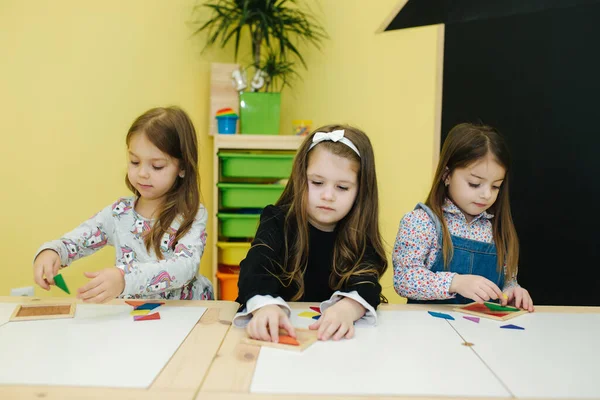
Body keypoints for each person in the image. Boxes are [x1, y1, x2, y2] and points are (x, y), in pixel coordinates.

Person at [32, 106, 213, 302]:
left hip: (187, 315)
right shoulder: (119, 213)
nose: (142, 173)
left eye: (157, 166)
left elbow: (184, 268)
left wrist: (124, 279)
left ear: (183, 167)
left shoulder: (191, 214)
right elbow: (76, 240)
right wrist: (52, 251)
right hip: (137, 316)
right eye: (135, 162)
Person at [234, 125, 388, 342]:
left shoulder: (359, 233)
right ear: (300, 178)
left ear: (361, 192)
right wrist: (265, 306)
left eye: (342, 187)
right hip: (279, 338)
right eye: (317, 183)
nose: (327, 196)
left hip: (333, 347)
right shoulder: (276, 220)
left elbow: (368, 284)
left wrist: (347, 309)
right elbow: (255, 269)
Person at [393, 123, 534, 311]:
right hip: (429, 331)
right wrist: (455, 282)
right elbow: (403, 279)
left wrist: (513, 290)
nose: (486, 194)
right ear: (447, 175)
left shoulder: (498, 229)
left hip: (482, 333)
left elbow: (508, 280)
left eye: (495, 186)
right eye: (475, 184)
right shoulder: (420, 222)